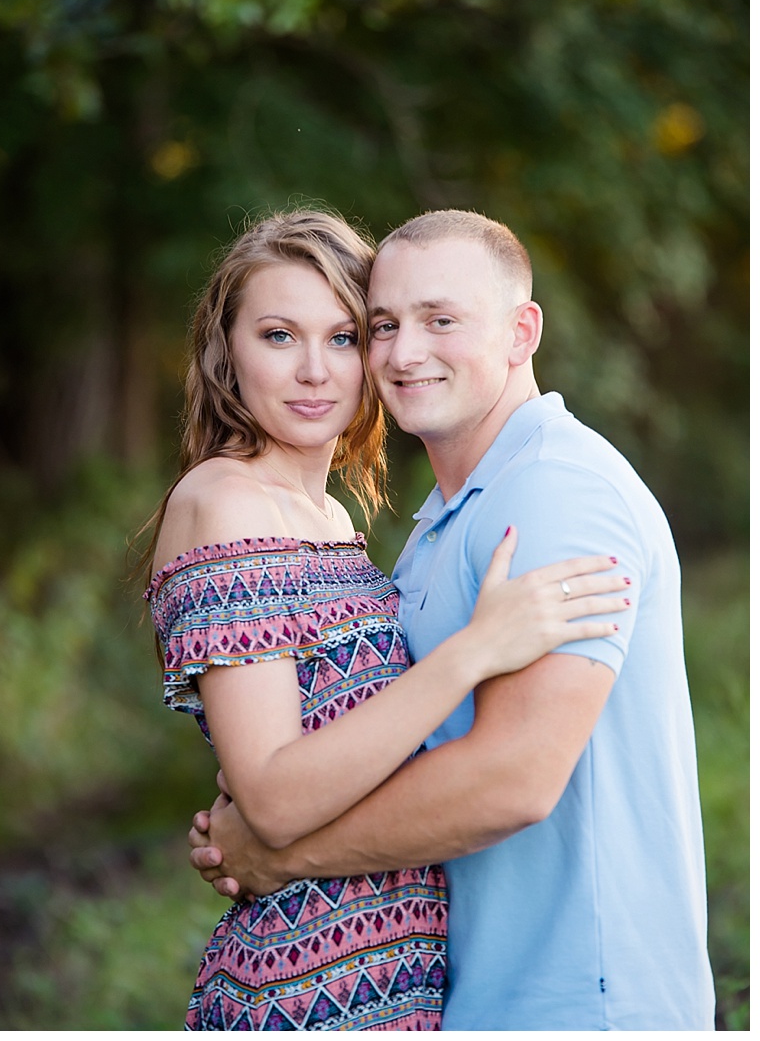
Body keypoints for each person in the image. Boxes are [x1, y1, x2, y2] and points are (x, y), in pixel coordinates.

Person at [189, 210, 715, 1031]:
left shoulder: (558, 491)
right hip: (469, 994)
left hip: (581, 1000)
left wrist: (281, 854)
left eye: (442, 321)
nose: (405, 353)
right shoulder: (441, 520)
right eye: (386, 325)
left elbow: (513, 778)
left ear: (521, 331)